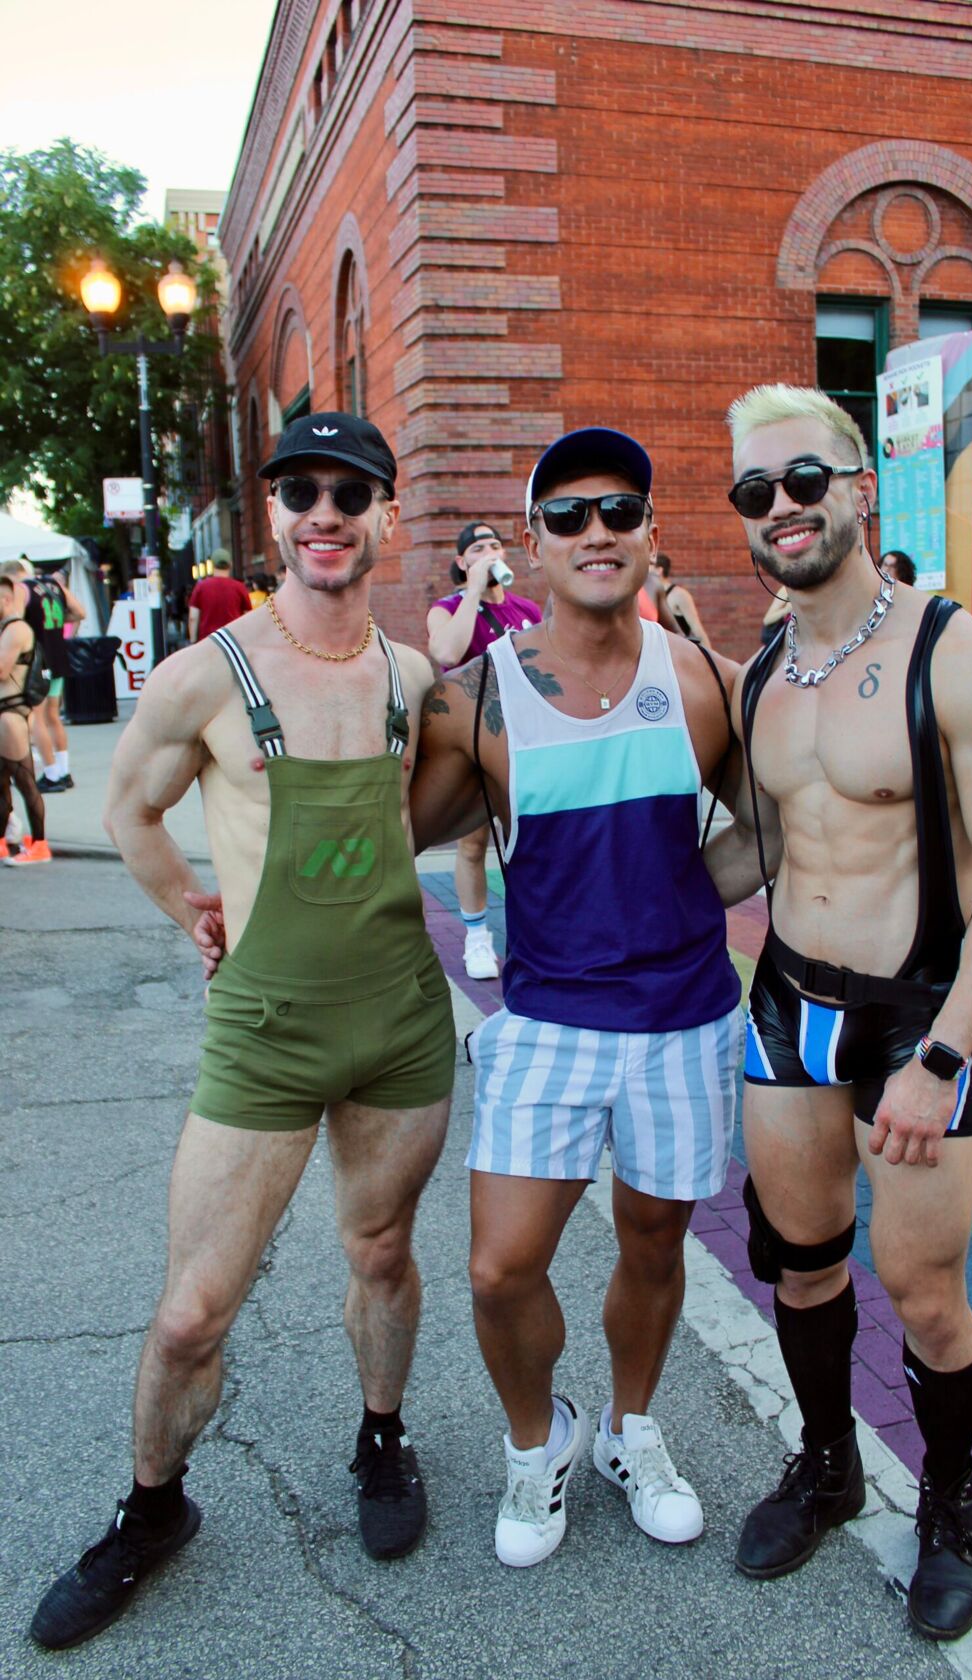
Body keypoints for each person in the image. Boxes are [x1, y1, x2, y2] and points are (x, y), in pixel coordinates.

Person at [29, 411, 456, 1651]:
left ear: (386, 512)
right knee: (189, 1312)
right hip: (264, 1030)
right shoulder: (207, 673)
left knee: (379, 1253)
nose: (324, 512)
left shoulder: (414, 677)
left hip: (399, 1025)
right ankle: (152, 1510)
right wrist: (195, 913)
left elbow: (429, 812)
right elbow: (131, 807)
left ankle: (383, 1436)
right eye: (302, 490)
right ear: (274, 514)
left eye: (349, 491)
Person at [706, 384, 972, 1642]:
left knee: (921, 1292)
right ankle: (826, 1462)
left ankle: (952, 1507)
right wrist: (608, 886)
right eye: (756, 493)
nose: (783, 508)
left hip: (921, 1024)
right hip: (787, 1010)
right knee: (797, 1267)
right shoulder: (762, 676)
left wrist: (946, 1056)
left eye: (804, 481)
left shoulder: (960, 660)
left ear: (857, 486)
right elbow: (755, 853)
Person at [412, 427, 744, 1569]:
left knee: (655, 1246)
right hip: (549, 1025)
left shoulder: (699, 677)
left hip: (685, 1021)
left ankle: (629, 1427)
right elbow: (380, 834)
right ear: (531, 542)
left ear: (652, 530)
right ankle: (534, 1440)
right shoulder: (477, 699)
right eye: (567, 514)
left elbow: (777, 827)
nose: (596, 531)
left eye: (619, 510)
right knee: (502, 1266)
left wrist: (675, 901)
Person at [426, 522, 542, 980]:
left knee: (530, 840)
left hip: (525, 740)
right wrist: (473, 590)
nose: (490, 553)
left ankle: (533, 934)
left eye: (495, 545)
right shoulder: (448, 609)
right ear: (461, 562)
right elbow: (448, 652)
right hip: (474, 739)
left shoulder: (527, 608)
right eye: (477, 549)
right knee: (474, 842)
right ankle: (476, 938)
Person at [3, 557, 86, 793]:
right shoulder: (53, 584)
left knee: (36, 718)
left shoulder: (21, 589)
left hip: (38, 660)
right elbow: (80, 612)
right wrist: (55, 626)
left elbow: (14, 623)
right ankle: (63, 770)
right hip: (59, 656)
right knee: (53, 716)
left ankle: (50, 774)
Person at [0, 570, 49, 865]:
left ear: (5, 599)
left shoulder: (16, 629)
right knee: (1, 785)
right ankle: (7, 843)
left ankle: (40, 845)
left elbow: (2, 670)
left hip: (11, 716)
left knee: (25, 781)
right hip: (5, 715)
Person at [187, 549, 252, 642]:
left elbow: (193, 617)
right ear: (230, 565)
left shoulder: (201, 587)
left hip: (208, 640)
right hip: (234, 640)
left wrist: (193, 641)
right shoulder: (239, 587)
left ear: (212, 565)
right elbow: (248, 616)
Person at [651, 554, 712, 646]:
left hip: (678, 653)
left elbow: (696, 628)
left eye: (649, 566)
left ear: (659, 570)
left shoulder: (679, 595)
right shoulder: (648, 595)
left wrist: (709, 658)